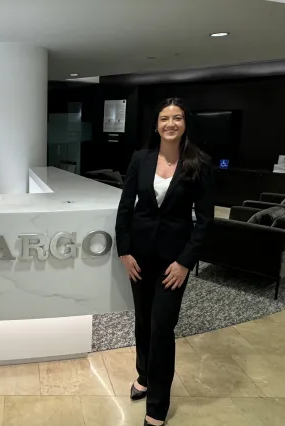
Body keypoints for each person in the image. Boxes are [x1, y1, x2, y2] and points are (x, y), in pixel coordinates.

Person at [115, 98, 214, 426]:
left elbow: (205, 219)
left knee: (161, 328)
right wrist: (124, 251)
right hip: (139, 259)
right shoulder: (140, 159)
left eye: (177, 118)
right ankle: (143, 376)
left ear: (185, 123)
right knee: (143, 322)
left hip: (174, 264)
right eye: (164, 118)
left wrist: (186, 262)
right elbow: (126, 206)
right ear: (156, 125)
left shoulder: (198, 162)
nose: (170, 123)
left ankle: (157, 405)